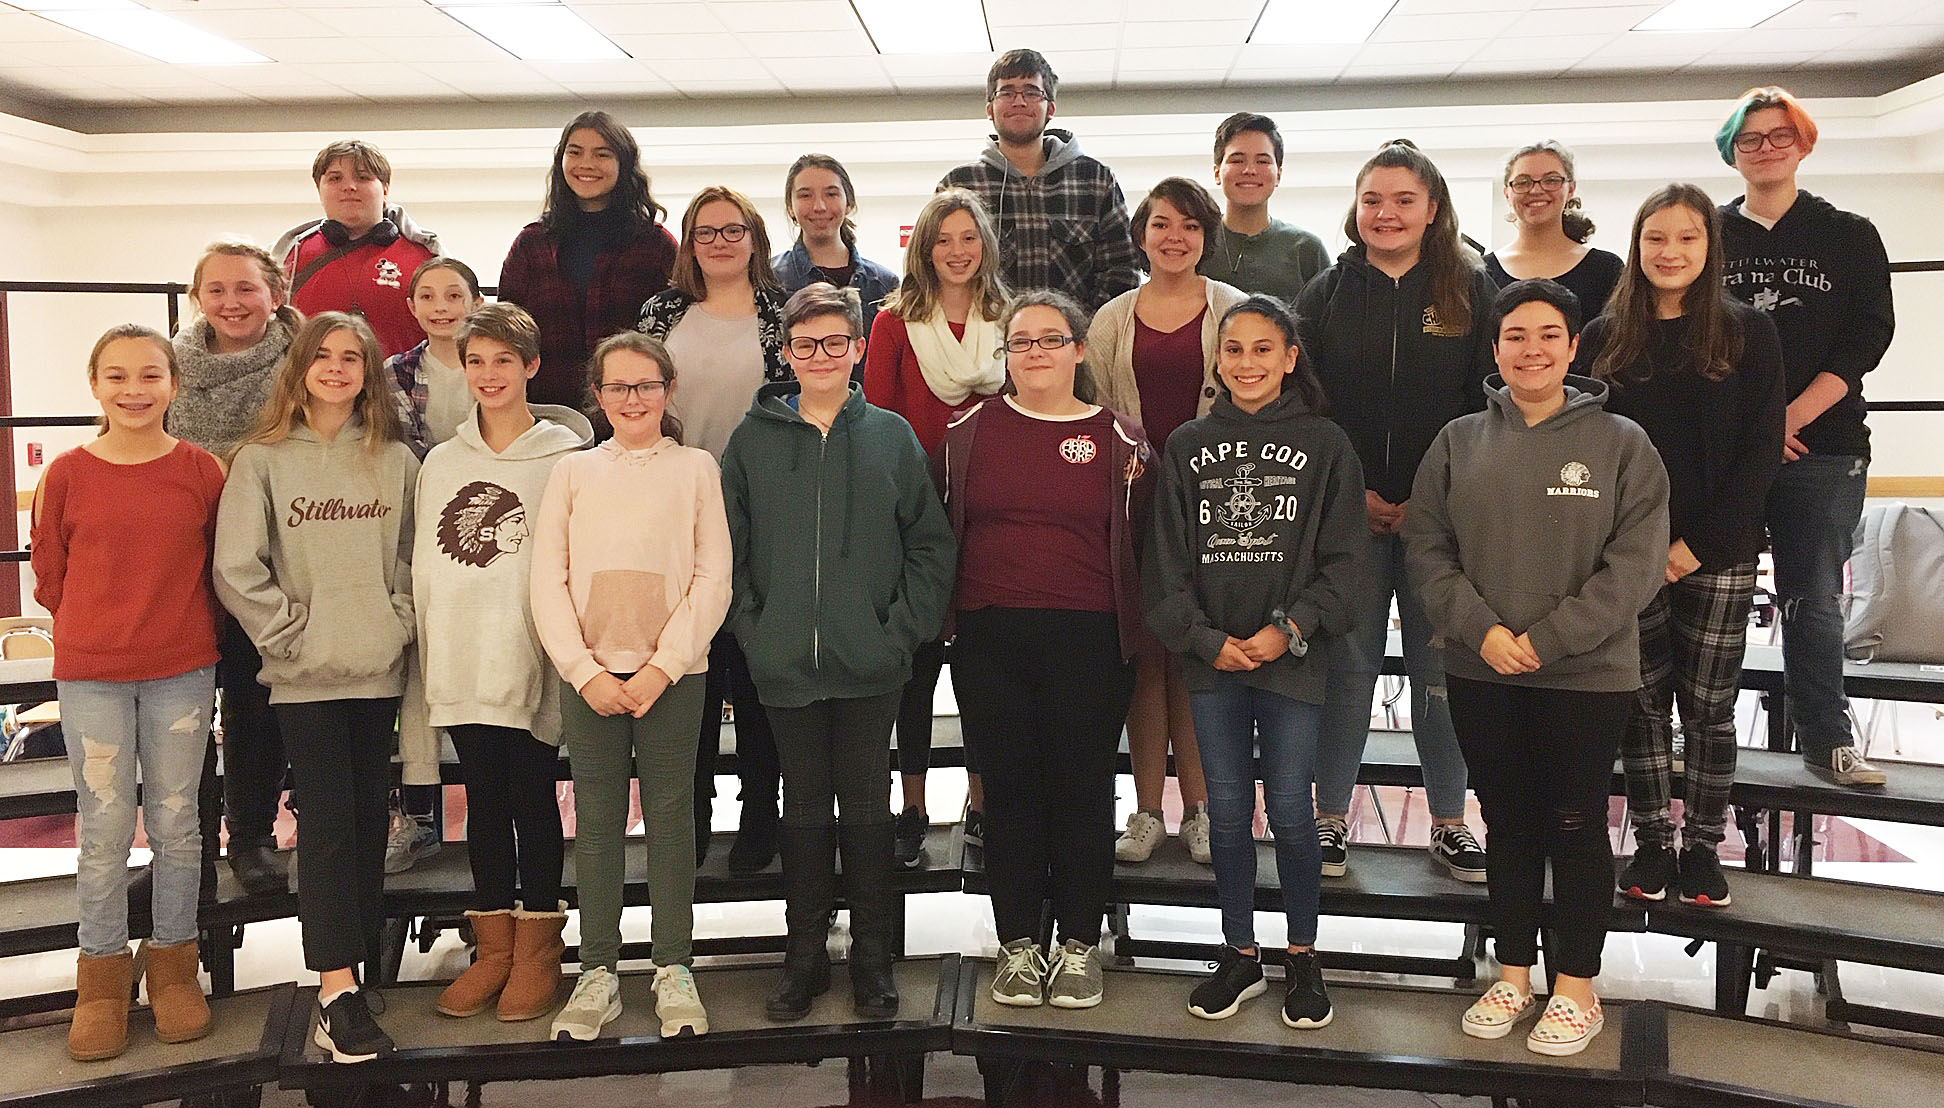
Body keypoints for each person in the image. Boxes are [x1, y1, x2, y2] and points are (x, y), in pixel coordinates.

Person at [1405, 278, 1668, 1057]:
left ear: (1573, 346)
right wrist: (1481, 631)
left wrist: (1548, 640)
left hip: (1585, 675)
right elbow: (1427, 546)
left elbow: (1635, 566)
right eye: (1516, 335)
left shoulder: (1624, 444)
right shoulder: (1457, 441)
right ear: (1495, 349)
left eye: (1548, 334)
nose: (1532, 349)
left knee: (1575, 821)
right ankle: (1514, 972)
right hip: (1482, 667)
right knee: (1508, 821)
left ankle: (1577, 988)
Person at [722, 284, 955, 1021]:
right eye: (804, 344)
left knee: (865, 810)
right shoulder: (751, 440)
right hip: (783, 662)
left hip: (871, 662)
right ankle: (803, 958)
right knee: (802, 814)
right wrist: (755, 629)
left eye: (834, 343)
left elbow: (929, 542)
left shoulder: (890, 436)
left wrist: (899, 631)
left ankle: (873, 962)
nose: (819, 356)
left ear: (857, 350)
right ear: (785, 355)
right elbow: (726, 550)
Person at [1147, 296, 1365, 1030]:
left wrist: (1286, 630)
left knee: (1295, 815)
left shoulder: (1327, 443)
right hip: (1213, 663)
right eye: (1234, 350)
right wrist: (1205, 639)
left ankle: (1303, 955)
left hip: (1292, 661)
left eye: (1262, 350)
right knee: (1231, 812)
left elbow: (1344, 564)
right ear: (1218, 358)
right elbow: (1166, 565)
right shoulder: (1186, 445)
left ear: (1290, 357)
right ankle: (1239, 953)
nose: (1247, 363)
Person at [936, 290, 1152, 1011]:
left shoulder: (1122, 441)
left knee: (1083, 792)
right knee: (1012, 793)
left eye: (1049, 340)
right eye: (1021, 342)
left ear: (1078, 351)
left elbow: (1144, 545)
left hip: (1091, 637)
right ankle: (1020, 946)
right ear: (1007, 355)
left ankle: (1081, 945)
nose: (1034, 352)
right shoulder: (969, 430)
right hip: (990, 636)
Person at [214, 311, 419, 1063]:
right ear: (298, 368)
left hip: (377, 666)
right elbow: (237, 567)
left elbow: (410, 556)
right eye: (323, 356)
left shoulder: (395, 460)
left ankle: (353, 968)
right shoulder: (261, 461)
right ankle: (334, 991)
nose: (337, 368)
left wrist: (396, 619)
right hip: (303, 674)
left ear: (369, 372)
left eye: (352, 358)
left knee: (368, 821)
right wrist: (285, 632)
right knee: (328, 824)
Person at [1298, 140, 1497, 884]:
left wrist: (1429, 499)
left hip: (1441, 523)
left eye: (1403, 200)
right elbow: (1306, 406)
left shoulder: (1473, 293)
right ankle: (1328, 819)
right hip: (1348, 519)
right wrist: (1358, 494)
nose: (1386, 213)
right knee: (1346, 669)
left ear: (1433, 209)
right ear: (1356, 208)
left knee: (1439, 671)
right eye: (1373, 199)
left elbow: (1488, 408)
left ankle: (1451, 822)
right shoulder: (1323, 294)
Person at [1580, 185, 1785, 910]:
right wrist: (1641, 552)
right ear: (1637, 246)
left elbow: (1761, 452)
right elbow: (1589, 450)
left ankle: (1702, 846)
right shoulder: (1604, 335)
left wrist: (1691, 548)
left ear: (1709, 247)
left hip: (1719, 550)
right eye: (1656, 238)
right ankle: (1651, 844)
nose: (1670, 252)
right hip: (1626, 556)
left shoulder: (1748, 333)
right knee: (1638, 707)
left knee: (1707, 708)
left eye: (1687, 239)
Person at [530, 331, 732, 1042]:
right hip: (591, 679)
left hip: (673, 674)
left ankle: (674, 965)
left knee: (673, 824)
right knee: (599, 825)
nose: (633, 398)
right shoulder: (573, 472)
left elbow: (714, 579)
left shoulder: (697, 469)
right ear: (598, 395)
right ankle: (600, 972)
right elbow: (546, 580)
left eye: (647, 385)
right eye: (618, 387)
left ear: (668, 392)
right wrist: (584, 670)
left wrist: (663, 664)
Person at [33, 324, 225, 1062]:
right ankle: (103, 980)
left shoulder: (202, 471)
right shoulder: (67, 474)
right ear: (95, 385)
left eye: (150, 374)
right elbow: (50, 577)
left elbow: (218, 565)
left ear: (174, 384)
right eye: (117, 376)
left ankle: (175, 966)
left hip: (181, 666)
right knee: (104, 827)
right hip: (91, 674)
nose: (135, 389)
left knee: (178, 825)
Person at [405, 303, 593, 1024]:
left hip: (529, 652)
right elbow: (429, 562)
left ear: (531, 367)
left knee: (532, 798)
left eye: (503, 362)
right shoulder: (442, 461)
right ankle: (494, 949)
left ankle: (540, 946)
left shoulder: (564, 458)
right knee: (480, 800)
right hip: (460, 655)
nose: (488, 375)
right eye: (475, 361)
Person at [1717, 86, 1896, 787]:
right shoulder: (1707, 230)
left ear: (1803, 142)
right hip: (1726, 446)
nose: (1764, 147)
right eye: (1750, 137)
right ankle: (1698, 733)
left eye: (1778, 134)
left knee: (1812, 598)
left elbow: (1864, 343)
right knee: (1705, 592)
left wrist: (1784, 421)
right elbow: (1690, 342)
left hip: (1823, 446)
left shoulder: (1848, 233)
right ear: (1732, 151)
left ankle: (1829, 740)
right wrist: (1754, 431)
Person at [1089, 176, 1248, 866]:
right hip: (1134, 502)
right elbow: (1092, 411)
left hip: (1216, 504)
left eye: (1187, 224)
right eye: (1160, 224)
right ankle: (1148, 811)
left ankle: (1203, 810)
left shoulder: (1236, 310)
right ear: (1141, 235)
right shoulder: (1111, 318)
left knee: (1200, 655)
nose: (1174, 237)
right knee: (1145, 656)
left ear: (1206, 234)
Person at [638, 186, 790, 873]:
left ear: (755, 238)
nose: (721, 242)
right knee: (687, 672)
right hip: (675, 510)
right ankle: (688, 817)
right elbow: (634, 395)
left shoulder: (781, 314)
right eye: (706, 232)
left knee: (756, 674)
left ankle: (761, 814)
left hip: (760, 512)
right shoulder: (662, 312)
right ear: (689, 244)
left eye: (734, 230)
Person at [864, 188, 1008, 863]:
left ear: (985, 246)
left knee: (982, 670)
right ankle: (913, 803)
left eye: (968, 238)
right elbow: (880, 422)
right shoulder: (892, 323)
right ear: (924, 247)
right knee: (915, 671)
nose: (956, 251)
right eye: (943, 239)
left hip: (987, 514)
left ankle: (981, 804)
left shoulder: (1007, 319)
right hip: (910, 518)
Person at [168, 239, 300, 897]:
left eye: (246, 288)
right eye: (216, 289)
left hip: (268, 562)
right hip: (181, 566)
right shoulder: (166, 367)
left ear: (275, 294)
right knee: (183, 714)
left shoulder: (304, 362)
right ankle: (183, 853)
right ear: (198, 299)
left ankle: (251, 838)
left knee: (254, 710)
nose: (232, 302)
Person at [499, 110, 678, 411]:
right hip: (547, 414)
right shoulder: (532, 244)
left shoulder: (655, 245)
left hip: (632, 410)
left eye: (602, 154)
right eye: (575, 152)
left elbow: (677, 334)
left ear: (624, 164)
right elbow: (507, 333)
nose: (586, 164)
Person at [937, 49, 1140, 312]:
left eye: (1032, 92)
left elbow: (1122, 270)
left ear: (1050, 108)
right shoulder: (959, 186)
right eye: (1007, 92)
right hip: (984, 346)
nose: (1019, 101)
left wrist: (1081, 336)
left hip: (1075, 346)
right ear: (990, 109)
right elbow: (935, 272)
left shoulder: (1096, 179)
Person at [272, 140, 441, 358]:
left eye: (363, 177)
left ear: (385, 190)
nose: (349, 187)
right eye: (335, 178)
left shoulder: (427, 257)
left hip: (404, 390)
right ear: (319, 189)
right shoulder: (289, 257)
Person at [773, 153, 898, 380]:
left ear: (848, 203)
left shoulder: (884, 284)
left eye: (831, 194)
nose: (819, 206)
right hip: (791, 411)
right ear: (790, 207)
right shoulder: (770, 279)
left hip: (864, 412)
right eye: (805, 195)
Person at [1198, 113, 1331, 304]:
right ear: (1217, 172)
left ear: (1278, 175)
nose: (1249, 170)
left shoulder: (1306, 249)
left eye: (1262, 161)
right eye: (1237, 160)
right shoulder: (1196, 244)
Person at [1484, 140, 1624, 316]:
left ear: (1571, 189)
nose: (1535, 190)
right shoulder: (1482, 272)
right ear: (1507, 193)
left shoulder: (1606, 269)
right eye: (1522, 182)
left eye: (1551, 180)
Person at [389, 256, 486, 458]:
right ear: (412, 307)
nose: (440, 307)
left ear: (477, 304)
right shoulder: (396, 371)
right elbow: (405, 445)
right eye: (427, 297)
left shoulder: (498, 367)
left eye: (453, 296)